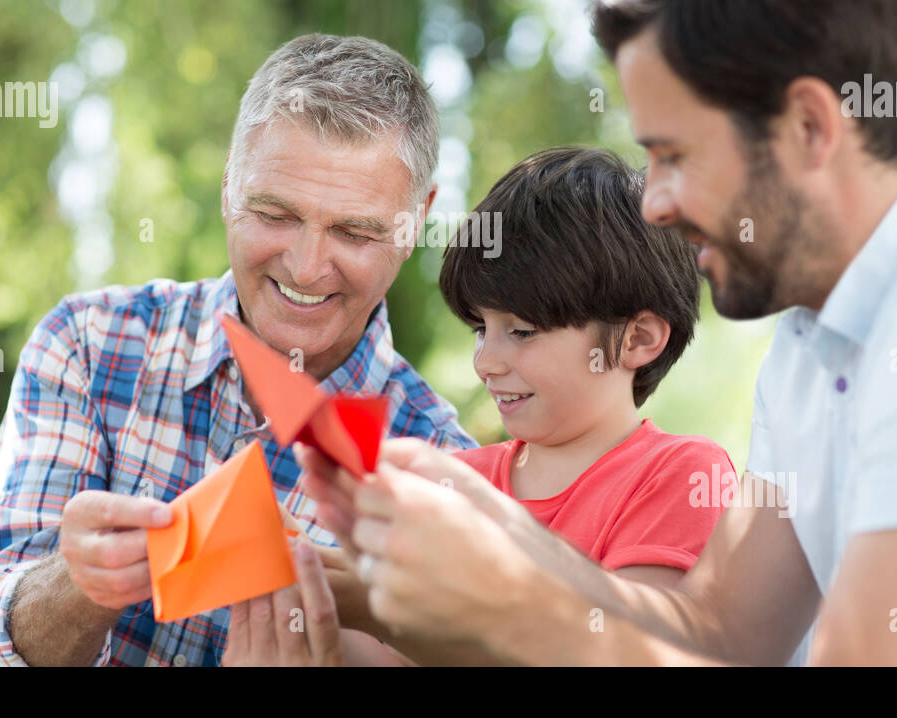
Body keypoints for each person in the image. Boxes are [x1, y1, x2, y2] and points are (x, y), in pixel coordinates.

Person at [296, 0, 897, 666]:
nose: (654, 203)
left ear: (812, 127)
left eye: (674, 156)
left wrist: (511, 610)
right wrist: (500, 536)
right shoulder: (815, 339)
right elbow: (719, 632)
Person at [0, 33, 476, 667]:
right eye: (276, 214)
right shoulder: (90, 345)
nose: (308, 267)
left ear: (416, 219)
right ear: (230, 181)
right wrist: (83, 586)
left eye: (354, 231)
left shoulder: (445, 475)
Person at [275, 146, 734, 665]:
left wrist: (397, 618)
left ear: (638, 339)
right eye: (479, 329)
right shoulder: (454, 478)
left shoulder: (679, 474)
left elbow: (622, 651)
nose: (486, 362)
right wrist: (314, 592)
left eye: (521, 331)